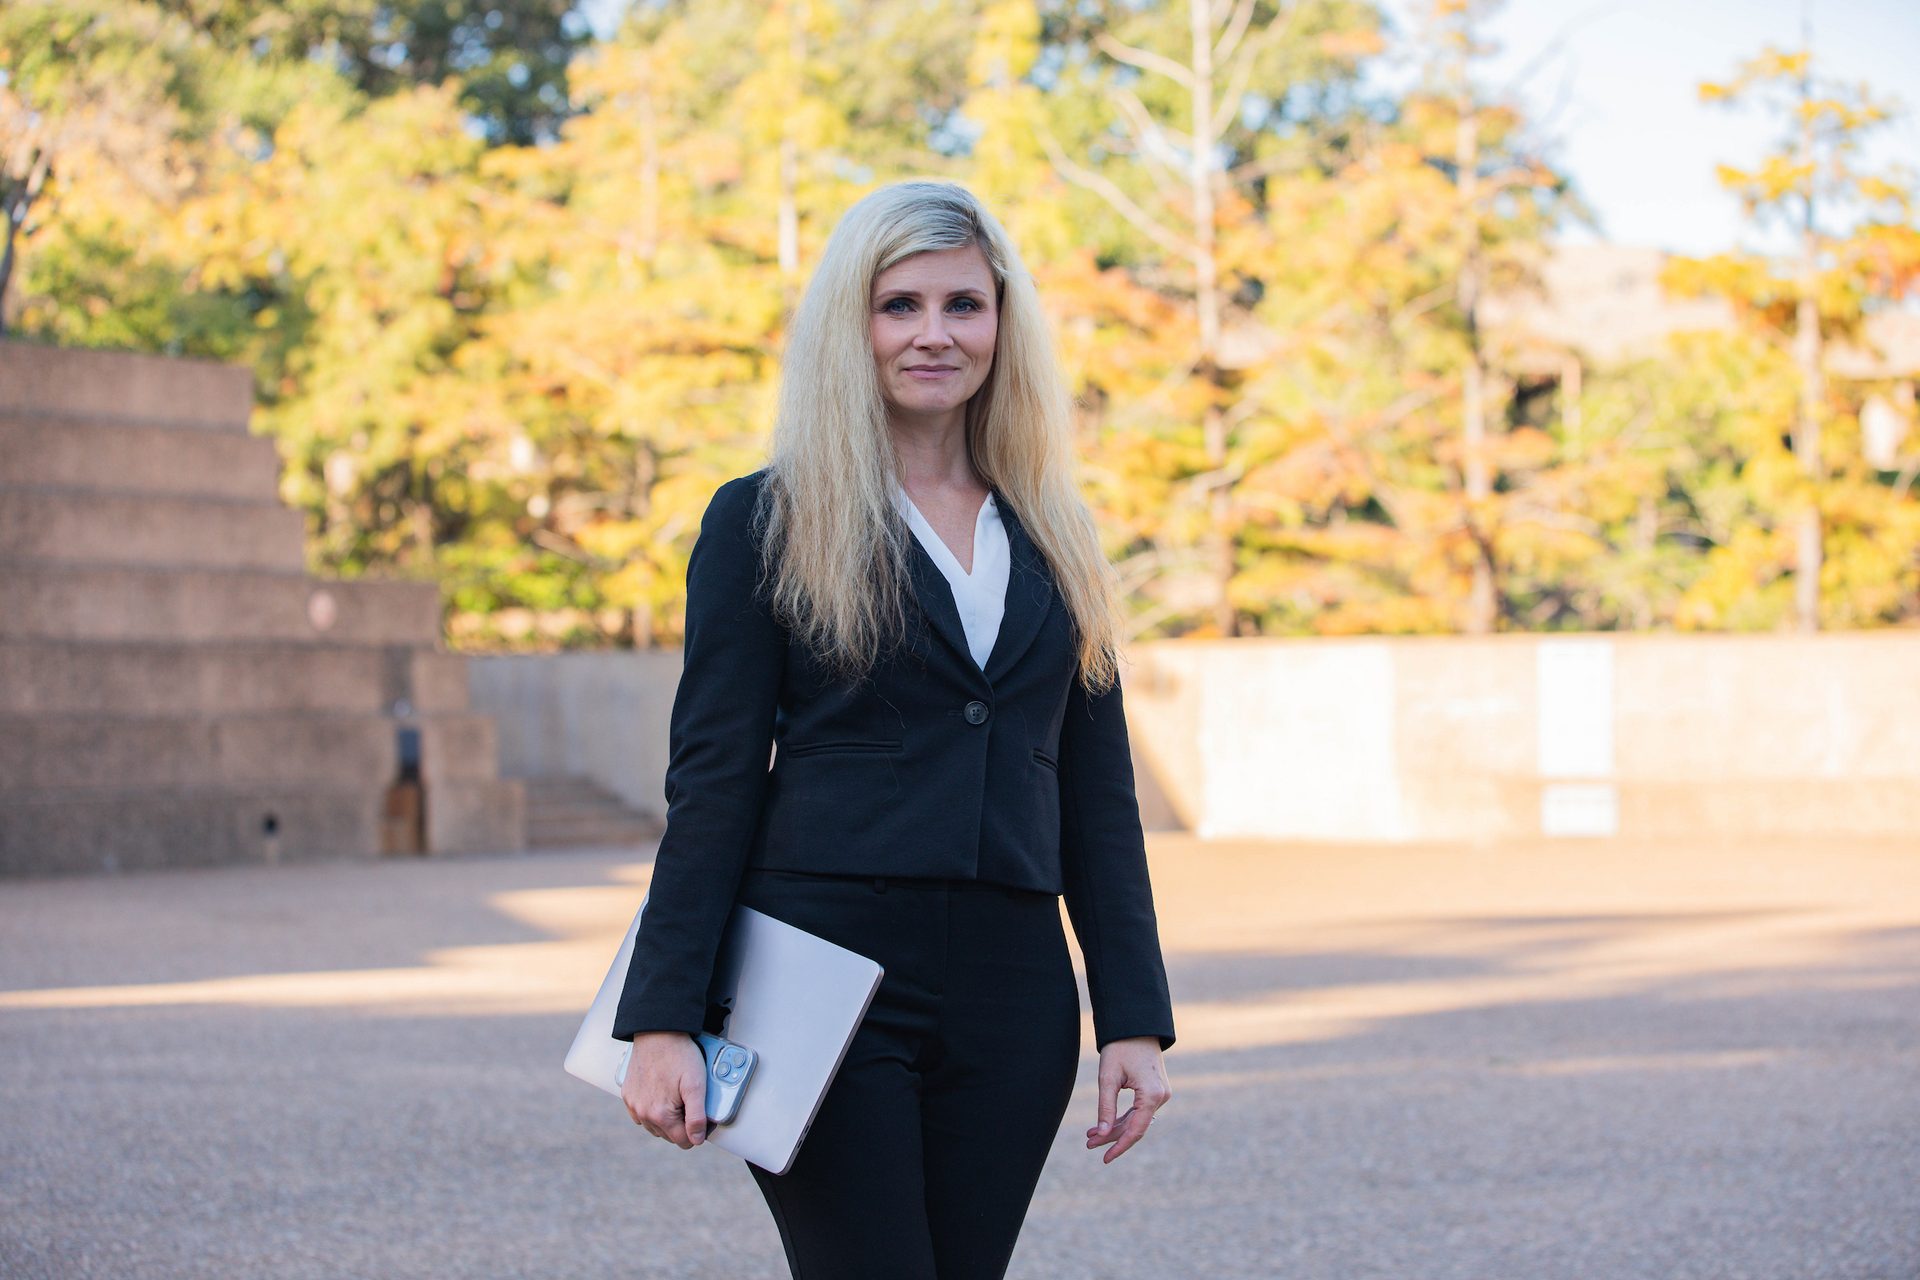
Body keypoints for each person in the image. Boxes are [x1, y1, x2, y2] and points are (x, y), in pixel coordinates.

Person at [612, 178, 1175, 1280]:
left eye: (963, 304)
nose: (934, 334)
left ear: (1002, 323)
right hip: (817, 970)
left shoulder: (1061, 534)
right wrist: (662, 1015)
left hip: (1013, 993)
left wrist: (1132, 1016)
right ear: (851, 326)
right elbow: (715, 778)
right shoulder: (763, 518)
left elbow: (1096, 796)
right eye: (898, 304)